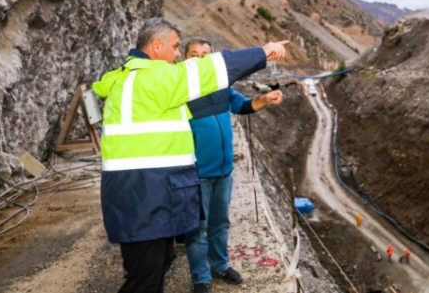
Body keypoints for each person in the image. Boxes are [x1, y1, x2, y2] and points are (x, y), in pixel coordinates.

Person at [92, 18, 287, 293]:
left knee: (159, 264)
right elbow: (217, 67)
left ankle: (215, 266)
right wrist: (264, 51)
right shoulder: (158, 79)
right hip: (145, 193)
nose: (175, 54)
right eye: (175, 48)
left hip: (142, 192)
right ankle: (201, 278)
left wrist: (260, 101)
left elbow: (236, 103)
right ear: (156, 46)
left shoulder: (130, 79)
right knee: (144, 280)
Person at [182, 39, 284, 293]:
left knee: (221, 223)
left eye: (206, 54)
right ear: (183, 60)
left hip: (224, 171)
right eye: (194, 54)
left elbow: (242, 106)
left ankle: (219, 265)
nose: (200, 58)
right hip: (197, 175)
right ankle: (201, 278)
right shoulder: (180, 91)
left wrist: (266, 99)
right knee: (197, 230)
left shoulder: (221, 85)